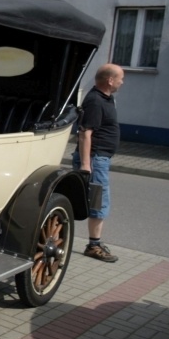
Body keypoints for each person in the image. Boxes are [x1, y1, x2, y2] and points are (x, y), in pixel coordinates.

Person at [72, 63, 125, 263]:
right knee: (98, 202)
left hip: (99, 158)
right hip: (95, 159)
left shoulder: (106, 99)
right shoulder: (95, 100)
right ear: (110, 80)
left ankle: (95, 243)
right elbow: (85, 133)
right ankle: (93, 246)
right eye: (120, 78)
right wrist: (86, 164)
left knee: (98, 202)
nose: (122, 82)